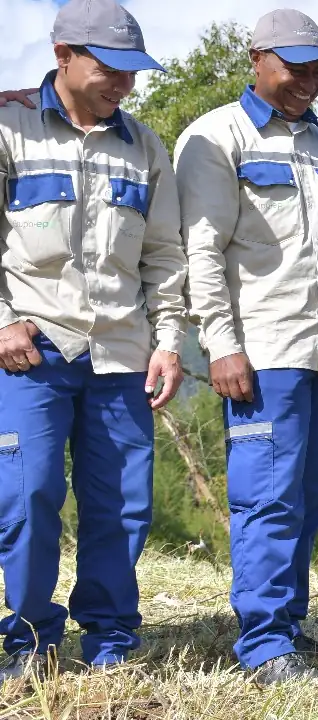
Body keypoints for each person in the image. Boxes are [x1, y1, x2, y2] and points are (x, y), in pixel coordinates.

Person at [173, 8, 318, 685]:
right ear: (256, 59)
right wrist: (221, 346)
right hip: (264, 352)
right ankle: (262, 645)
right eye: (295, 67)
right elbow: (201, 252)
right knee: (268, 498)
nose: (308, 81)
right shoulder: (215, 138)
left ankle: (289, 625)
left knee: (314, 494)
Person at [0, 0, 187, 679]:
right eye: (111, 69)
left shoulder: (145, 148)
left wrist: (168, 342)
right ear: (63, 57)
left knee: (123, 507)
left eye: (133, 73)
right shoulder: (10, 126)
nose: (124, 85)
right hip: (34, 353)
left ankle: (111, 643)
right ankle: (29, 643)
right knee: (27, 498)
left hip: (120, 355)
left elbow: (165, 257)